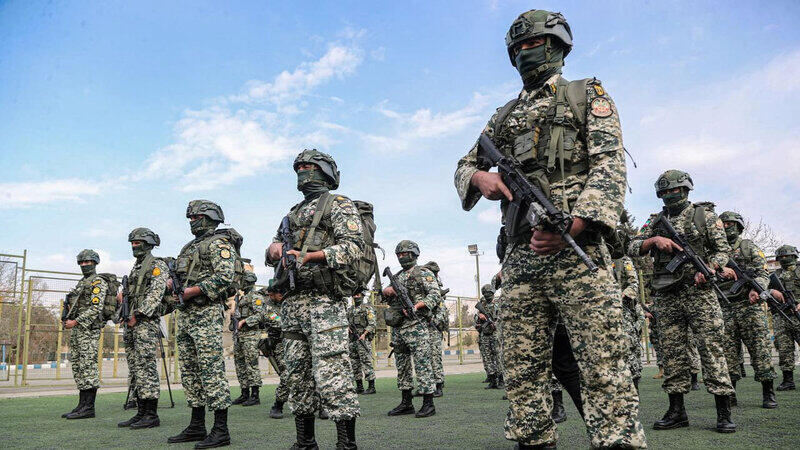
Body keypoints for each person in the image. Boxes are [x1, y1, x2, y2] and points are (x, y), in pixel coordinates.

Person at [454, 9, 646, 448]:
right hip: (521, 259)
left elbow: (610, 166)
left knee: (603, 367)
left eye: (534, 43)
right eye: (518, 47)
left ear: (557, 46)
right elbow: (465, 163)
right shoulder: (503, 116)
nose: (526, 52)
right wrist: (479, 178)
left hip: (579, 252)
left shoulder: (585, 93)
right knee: (523, 374)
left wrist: (576, 224)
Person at [265, 149, 362, 449]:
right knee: (297, 375)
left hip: (324, 303)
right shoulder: (292, 213)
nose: (302, 171)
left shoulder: (339, 204)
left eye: (308, 166)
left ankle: (346, 444)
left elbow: (353, 248)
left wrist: (312, 256)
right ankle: (305, 442)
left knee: (333, 374)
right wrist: (272, 250)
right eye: (298, 167)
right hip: (292, 303)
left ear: (324, 171)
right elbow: (274, 251)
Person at [629, 169, 737, 433]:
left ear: (686, 189)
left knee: (711, 350)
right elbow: (631, 246)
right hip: (667, 294)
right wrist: (654, 240)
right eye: (664, 192)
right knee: (672, 354)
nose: (669, 195)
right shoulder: (655, 221)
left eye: (674, 190)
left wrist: (710, 267)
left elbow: (723, 251)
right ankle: (677, 411)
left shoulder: (704, 216)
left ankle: (723, 412)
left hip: (700, 293)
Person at [167, 200, 239, 448]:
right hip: (186, 315)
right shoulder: (189, 247)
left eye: (196, 217)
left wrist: (192, 291)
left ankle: (221, 429)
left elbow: (224, 277)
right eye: (190, 218)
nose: (192, 221)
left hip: (206, 313)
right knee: (189, 371)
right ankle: (197, 425)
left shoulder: (219, 243)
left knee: (211, 370)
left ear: (209, 218)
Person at [717, 211, 778, 408]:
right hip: (724, 305)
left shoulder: (748, 247)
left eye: (730, 224)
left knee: (760, 349)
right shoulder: (714, 251)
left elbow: (763, 272)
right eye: (723, 224)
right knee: (727, 353)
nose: (727, 227)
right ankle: (730, 394)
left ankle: (768, 392)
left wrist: (756, 288)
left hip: (749, 306)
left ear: (739, 227)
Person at [118, 228, 169, 429]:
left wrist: (137, 315)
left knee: (146, 367)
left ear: (148, 244)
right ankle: (141, 412)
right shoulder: (136, 267)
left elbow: (156, 294)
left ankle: (151, 414)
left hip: (145, 322)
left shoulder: (156, 265)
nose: (134, 245)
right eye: (132, 242)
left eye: (138, 242)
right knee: (135, 368)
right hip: (131, 322)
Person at [383, 240, 441, 419]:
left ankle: (428, 403)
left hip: (417, 325)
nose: (401, 257)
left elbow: (435, 295)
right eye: (399, 254)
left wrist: (417, 306)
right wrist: (387, 291)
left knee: (422, 364)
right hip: (399, 327)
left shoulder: (424, 273)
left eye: (404, 254)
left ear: (414, 254)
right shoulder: (397, 276)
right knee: (402, 365)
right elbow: (389, 298)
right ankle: (406, 402)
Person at [61, 249, 108, 420]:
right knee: (79, 366)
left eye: (87, 262)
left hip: (88, 330)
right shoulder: (82, 282)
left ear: (95, 263)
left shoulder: (98, 282)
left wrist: (76, 322)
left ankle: (89, 407)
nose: (84, 265)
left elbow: (96, 308)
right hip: (78, 330)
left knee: (88, 366)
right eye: (81, 262)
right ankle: (81, 405)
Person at [231, 270, 265, 407]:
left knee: (251, 364)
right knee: (240, 364)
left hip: (251, 335)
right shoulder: (241, 298)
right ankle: (244, 393)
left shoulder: (256, 297)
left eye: (242, 281)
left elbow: (260, 315)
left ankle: (255, 395)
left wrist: (245, 321)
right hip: (239, 336)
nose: (240, 284)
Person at [771, 244, 800, 391]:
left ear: (794, 256)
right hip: (781, 316)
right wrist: (772, 291)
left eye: (787, 256)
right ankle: (788, 380)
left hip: (797, 313)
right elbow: (762, 290)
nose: (784, 258)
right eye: (781, 257)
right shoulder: (775, 275)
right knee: (784, 348)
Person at [260, 286, 290, 419]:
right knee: (286, 375)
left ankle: (318, 405)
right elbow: (277, 321)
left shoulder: (289, 302)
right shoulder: (268, 308)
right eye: (278, 294)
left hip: (296, 342)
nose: (281, 295)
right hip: (279, 345)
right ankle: (278, 405)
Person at [347, 288, 377, 395]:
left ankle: (371, 387)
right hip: (352, 339)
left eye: (358, 295)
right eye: (354, 295)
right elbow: (346, 321)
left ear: (362, 296)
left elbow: (372, 323)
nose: (356, 297)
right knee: (354, 363)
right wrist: (347, 327)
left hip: (363, 339)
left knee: (366, 362)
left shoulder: (367, 308)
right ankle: (359, 387)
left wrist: (364, 334)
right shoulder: (350, 310)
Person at [475, 284, 502, 390]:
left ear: (492, 293)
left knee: (497, 357)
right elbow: (477, 320)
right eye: (485, 293)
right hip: (485, 334)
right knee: (487, 358)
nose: (487, 295)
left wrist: (491, 322)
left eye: (489, 293)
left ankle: (501, 380)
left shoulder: (498, 304)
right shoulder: (482, 305)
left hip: (495, 334)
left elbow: (500, 318)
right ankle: (492, 380)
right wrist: (480, 318)